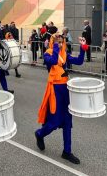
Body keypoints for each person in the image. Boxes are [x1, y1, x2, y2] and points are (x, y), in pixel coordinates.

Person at [35, 34, 88, 164]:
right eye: (58, 41)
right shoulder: (48, 54)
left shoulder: (64, 54)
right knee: (54, 122)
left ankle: (67, 151)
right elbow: (53, 61)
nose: (60, 43)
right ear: (53, 42)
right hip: (55, 92)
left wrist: (82, 48)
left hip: (66, 90)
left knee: (67, 123)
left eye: (62, 41)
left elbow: (79, 61)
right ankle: (40, 134)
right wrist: (56, 48)